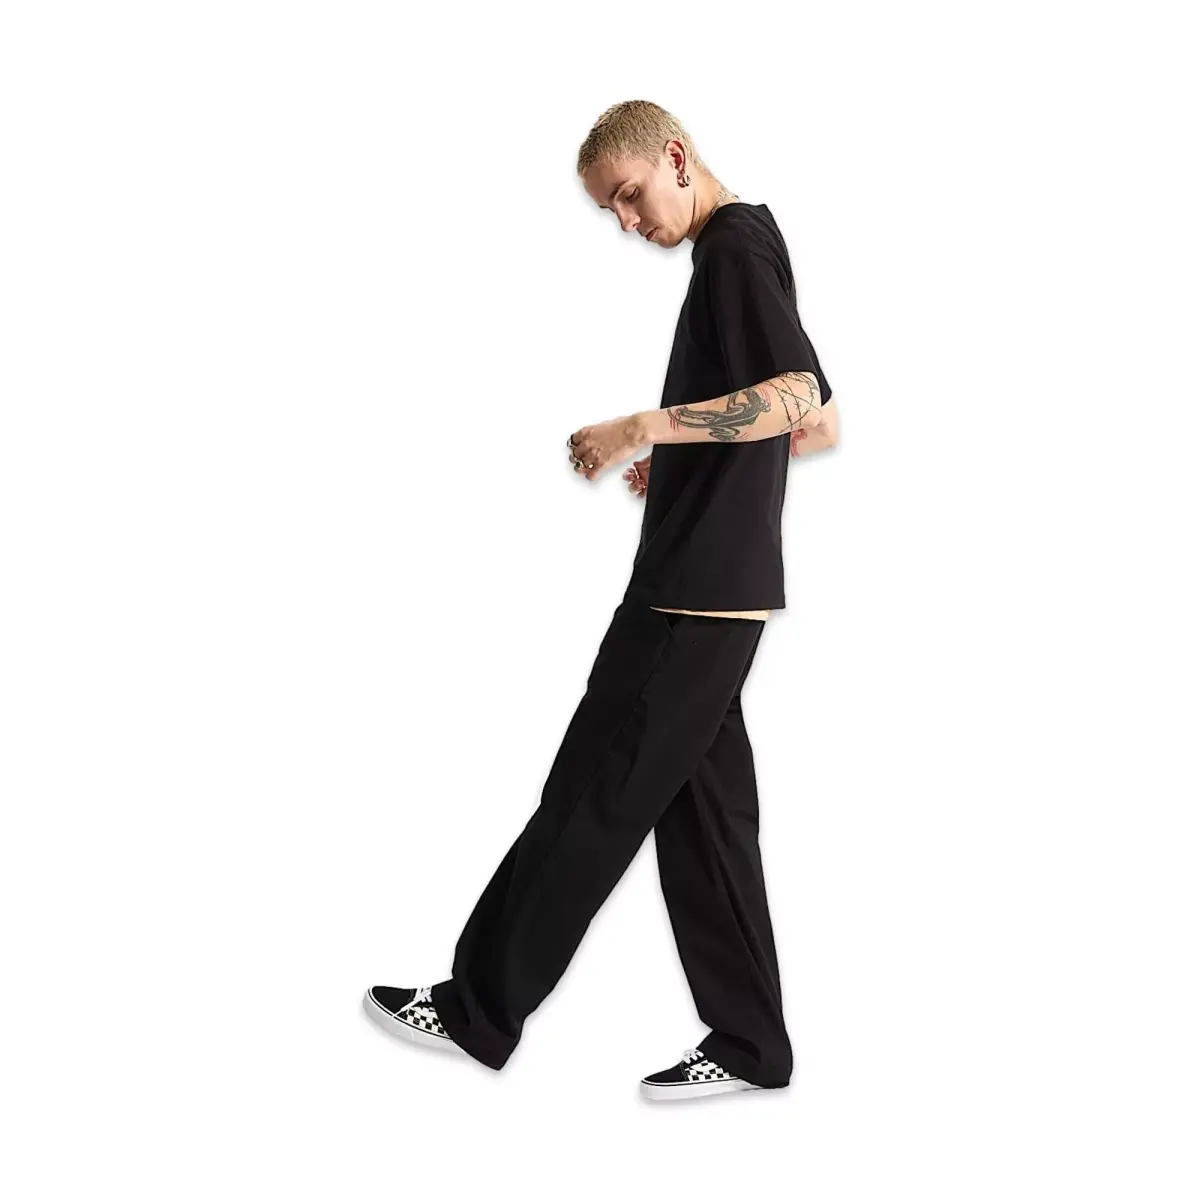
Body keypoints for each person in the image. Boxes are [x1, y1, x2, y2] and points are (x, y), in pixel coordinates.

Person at [363, 99, 839, 1101]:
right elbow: (819, 424)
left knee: (592, 793)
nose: (628, 222)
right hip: (725, 590)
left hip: (690, 595)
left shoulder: (733, 248)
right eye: (610, 211)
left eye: (629, 195)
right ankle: (753, 1043)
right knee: (706, 826)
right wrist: (689, 463)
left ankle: (478, 1006)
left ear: (675, 156)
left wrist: (642, 428)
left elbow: (798, 397)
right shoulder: (749, 245)